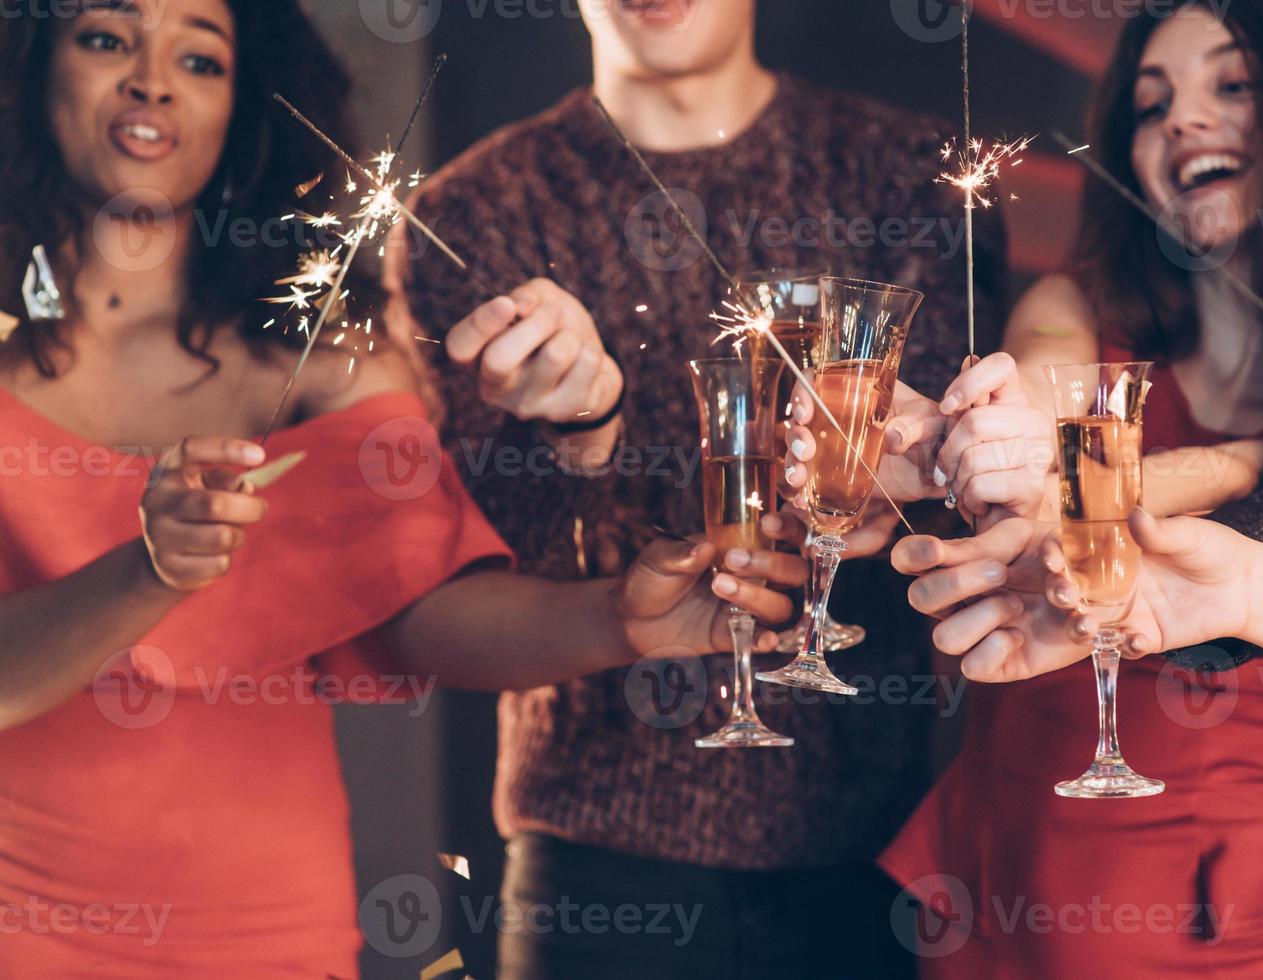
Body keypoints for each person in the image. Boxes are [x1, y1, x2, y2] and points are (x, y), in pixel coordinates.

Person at [0, 2, 800, 975]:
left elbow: (421, 616)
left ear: (249, 105)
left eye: (201, 57)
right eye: (105, 37)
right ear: (32, 67)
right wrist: (152, 569)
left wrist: (619, 619)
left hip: (267, 926)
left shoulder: (332, 360)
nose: (152, 79)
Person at [788, 1, 1263, 975]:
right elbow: (1048, 418)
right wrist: (968, 447)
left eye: (1231, 85)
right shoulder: (1071, 310)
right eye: (1149, 104)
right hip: (990, 906)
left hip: (1224, 927)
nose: (1180, 120)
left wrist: (1240, 462)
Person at [386, 0, 1001, 975]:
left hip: (868, 854)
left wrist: (912, 480)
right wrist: (582, 433)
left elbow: (961, 494)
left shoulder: (909, 174)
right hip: (591, 868)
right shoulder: (471, 211)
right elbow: (493, 574)